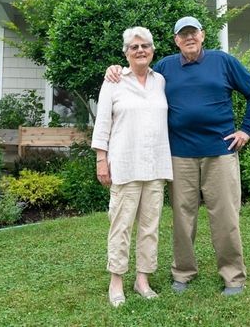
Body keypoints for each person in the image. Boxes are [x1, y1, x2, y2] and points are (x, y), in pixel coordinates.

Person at [106, 16, 250, 296]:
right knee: (182, 218)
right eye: (183, 34)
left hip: (220, 153)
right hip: (180, 155)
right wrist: (114, 69)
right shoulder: (165, 68)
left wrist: (247, 130)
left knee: (225, 217)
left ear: (202, 35)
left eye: (193, 33)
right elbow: (138, 75)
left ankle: (233, 277)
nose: (189, 38)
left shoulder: (222, 62)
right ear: (176, 40)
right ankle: (183, 272)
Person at [92, 26, 173, 308]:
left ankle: (142, 280)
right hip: (124, 165)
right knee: (121, 225)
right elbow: (102, 123)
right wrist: (101, 159)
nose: (140, 50)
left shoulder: (160, 81)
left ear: (152, 50)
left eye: (145, 46)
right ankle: (116, 282)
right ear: (126, 53)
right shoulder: (114, 80)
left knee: (150, 227)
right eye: (134, 47)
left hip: (155, 165)